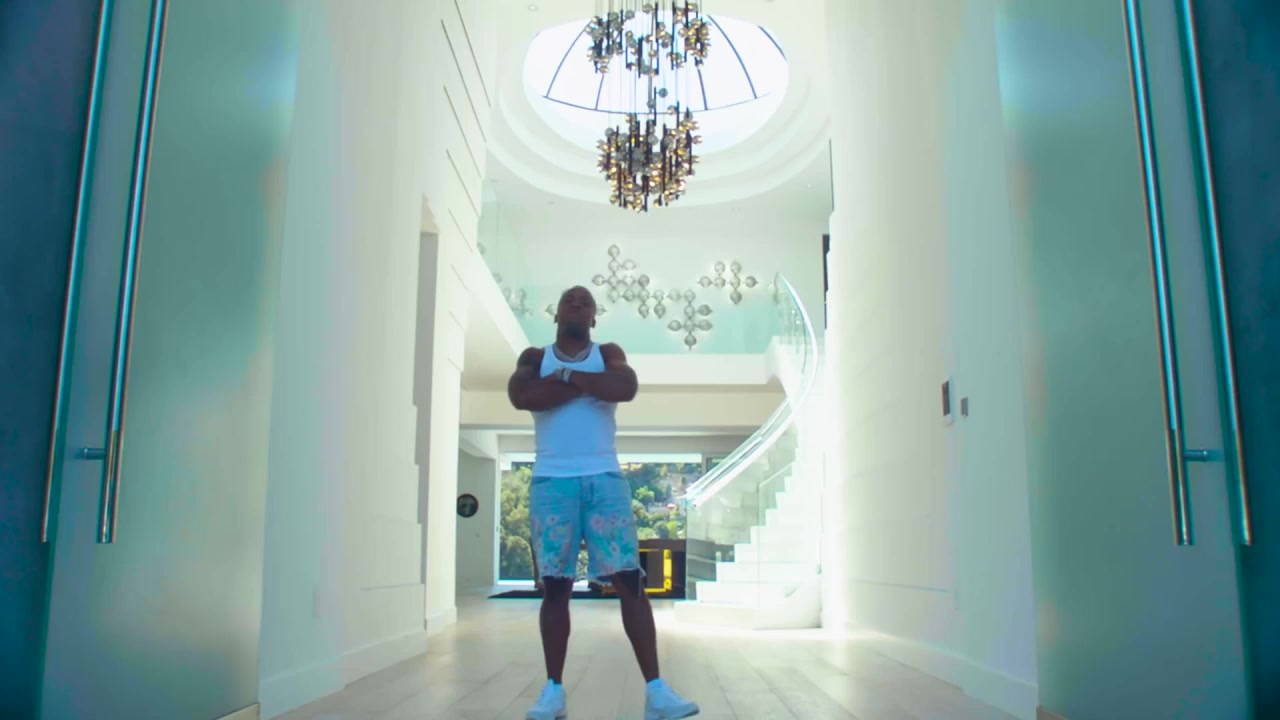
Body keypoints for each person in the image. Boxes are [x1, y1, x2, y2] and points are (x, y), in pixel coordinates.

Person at [508, 286, 700, 720]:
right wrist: (589, 385)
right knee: (555, 586)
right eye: (570, 301)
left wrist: (563, 380)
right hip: (552, 482)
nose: (577, 306)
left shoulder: (608, 351)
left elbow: (625, 387)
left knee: (630, 580)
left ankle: (656, 693)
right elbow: (522, 396)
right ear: (556, 313)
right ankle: (553, 692)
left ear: (593, 317)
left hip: (605, 479)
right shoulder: (534, 357)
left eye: (586, 303)